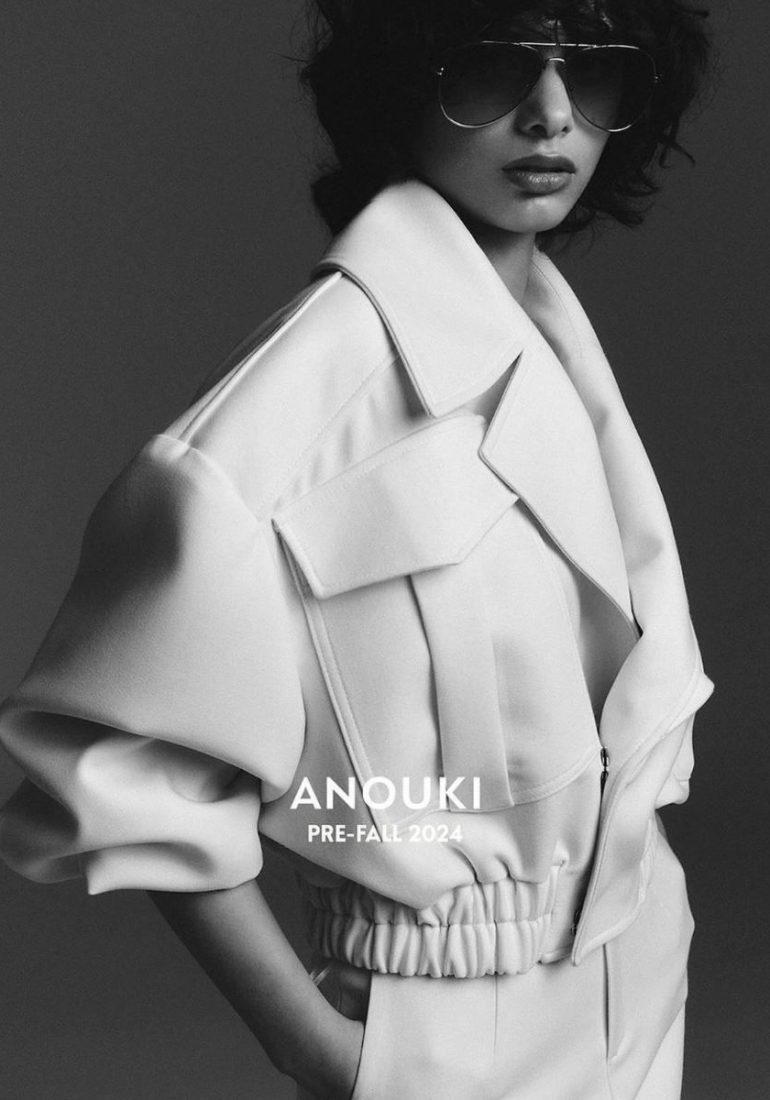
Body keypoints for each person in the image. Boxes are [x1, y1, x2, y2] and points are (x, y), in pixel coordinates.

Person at [0, 1, 713, 1097]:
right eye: (493, 67)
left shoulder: (553, 341)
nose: (550, 113)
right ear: (400, 84)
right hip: (441, 1027)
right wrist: (323, 1055)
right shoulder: (303, 394)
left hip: (640, 979)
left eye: (594, 71)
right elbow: (115, 767)